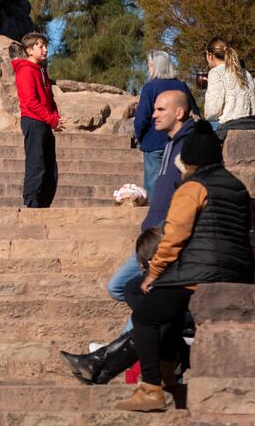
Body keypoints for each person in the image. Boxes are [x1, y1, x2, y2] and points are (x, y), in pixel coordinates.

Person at [60, 89, 201, 384]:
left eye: (161, 109)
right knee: (122, 288)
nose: (153, 113)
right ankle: (159, 337)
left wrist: (170, 234)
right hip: (151, 237)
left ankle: (118, 352)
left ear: (179, 112)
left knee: (143, 299)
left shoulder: (190, 145)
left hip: (166, 239)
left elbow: (191, 197)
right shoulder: (169, 144)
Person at [116, 129, 254, 412]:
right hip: (237, 272)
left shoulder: (193, 188)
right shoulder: (238, 187)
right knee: (170, 315)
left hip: (198, 273)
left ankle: (151, 387)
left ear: (189, 161)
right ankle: (169, 375)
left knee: (145, 316)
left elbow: (174, 235)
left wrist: (154, 272)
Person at [134, 51, 197, 194]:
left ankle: (155, 213)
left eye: (149, 65)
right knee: (178, 182)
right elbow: (194, 113)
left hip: (154, 142)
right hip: (180, 142)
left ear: (155, 67)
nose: (147, 69)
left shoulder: (150, 87)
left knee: (154, 186)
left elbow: (142, 118)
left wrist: (140, 136)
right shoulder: (182, 86)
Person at [12, 32, 60, 207]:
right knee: (36, 164)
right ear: (29, 50)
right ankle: (32, 203)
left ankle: (44, 203)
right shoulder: (25, 70)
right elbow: (31, 102)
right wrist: (51, 119)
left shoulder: (41, 70)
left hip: (44, 122)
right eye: (41, 46)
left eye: (46, 45)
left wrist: (55, 117)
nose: (45, 49)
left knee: (50, 168)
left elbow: (49, 98)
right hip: (33, 121)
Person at [202, 37, 254, 129]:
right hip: (250, 124)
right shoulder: (246, 73)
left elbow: (212, 112)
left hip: (227, 126)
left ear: (210, 55)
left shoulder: (216, 72)